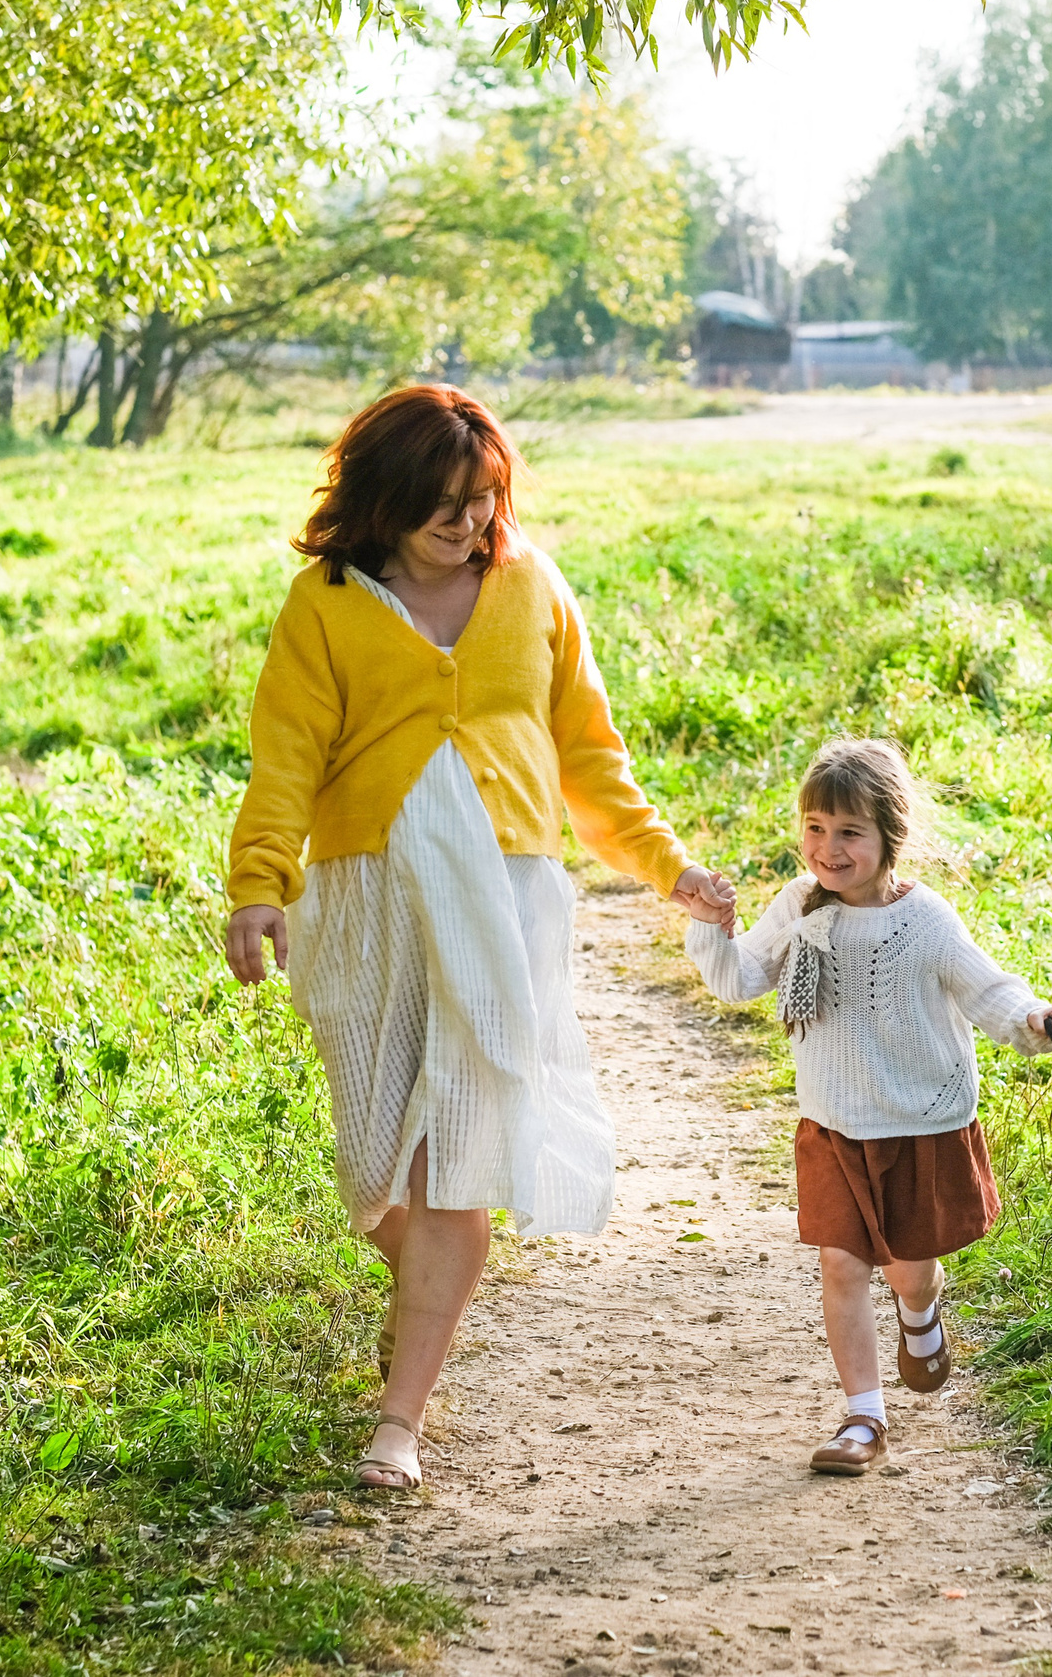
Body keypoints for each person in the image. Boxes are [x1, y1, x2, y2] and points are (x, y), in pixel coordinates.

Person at [224, 384, 737, 1492]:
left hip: (507, 896)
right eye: (444, 509)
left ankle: (399, 1420)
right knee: (374, 1170)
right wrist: (259, 886)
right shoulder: (322, 604)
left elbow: (589, 760)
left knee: (451, 1159)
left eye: (484, 500)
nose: (469, 526)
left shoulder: (531, 585)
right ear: (386, 501)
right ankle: (427, 1304)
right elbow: (286, 760)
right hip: (368, 896)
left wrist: (666, 865)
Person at [684, 739, 1052, 1475]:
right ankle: (864, 1417)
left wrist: (1031, 1020)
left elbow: (987, 989)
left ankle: (921, 1310)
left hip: (916, 1123)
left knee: (908, 1268)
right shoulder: (797, 908)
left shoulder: (924, 921)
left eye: (849, 832)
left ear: (890, 837)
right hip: (833, 1124)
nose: (828, 848)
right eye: (815, 827)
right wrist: (711, 923)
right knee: (841, 1264)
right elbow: (740, 978)